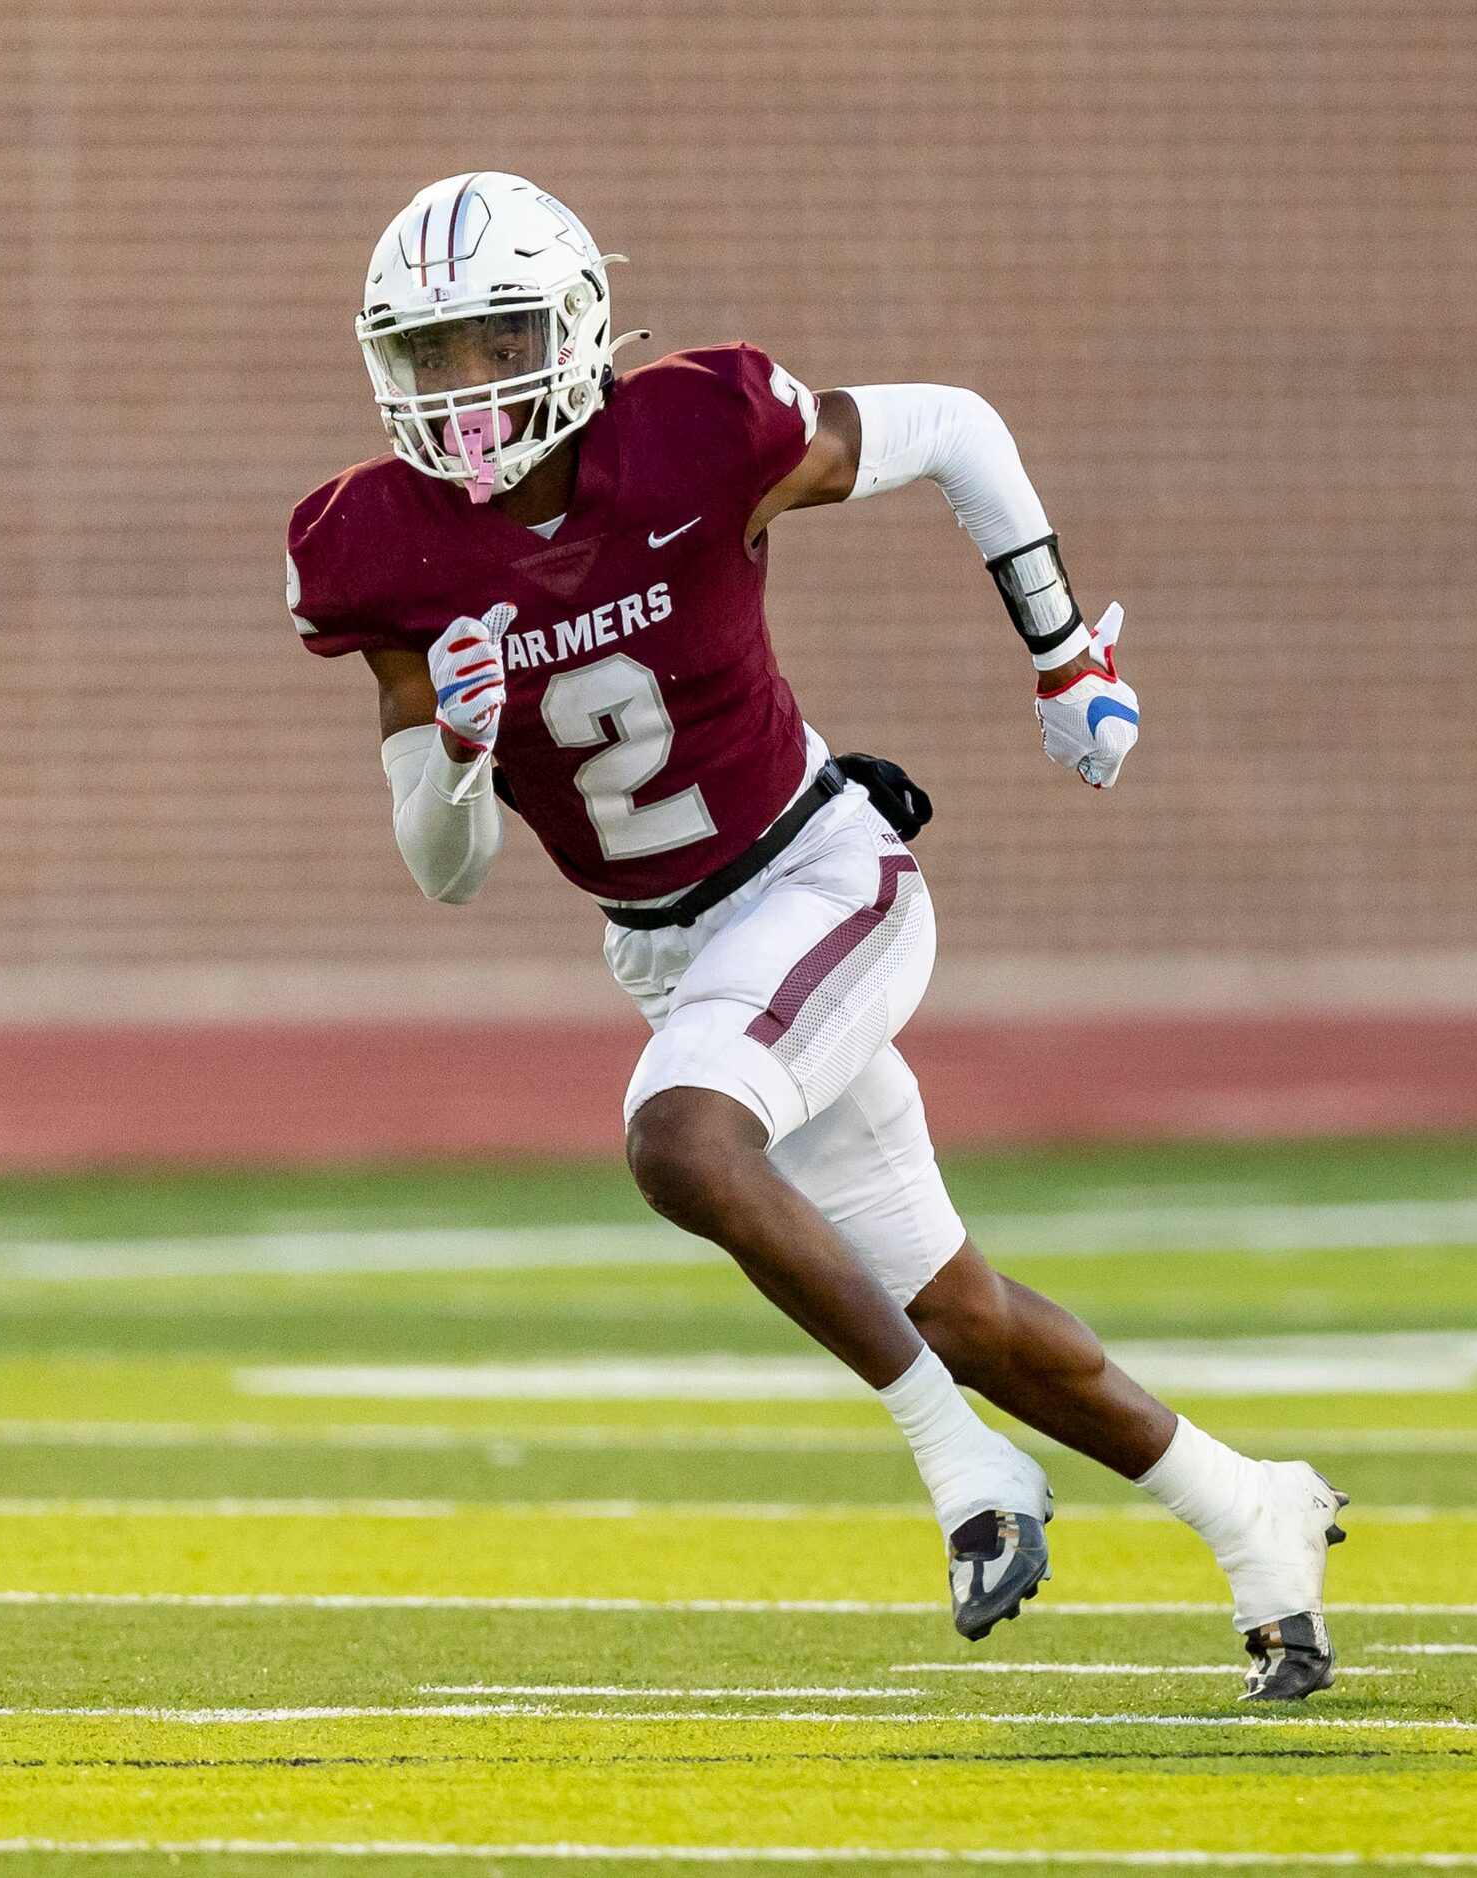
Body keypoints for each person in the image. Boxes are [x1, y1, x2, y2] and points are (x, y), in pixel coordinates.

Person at [286, 172, 1346, 1701]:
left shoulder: (694, 429)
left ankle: (967, 1476)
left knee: (681, 1141)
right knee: (959, 1311)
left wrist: (1062, 653)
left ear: (576, 324)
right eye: (431, 352)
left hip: (819, 880)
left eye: (496, 337)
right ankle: (1256, 1514)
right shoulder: (376, 547)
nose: (465, 389)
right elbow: (446, 873)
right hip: (671, 949)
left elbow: (960, 429)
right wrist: (450, 747)